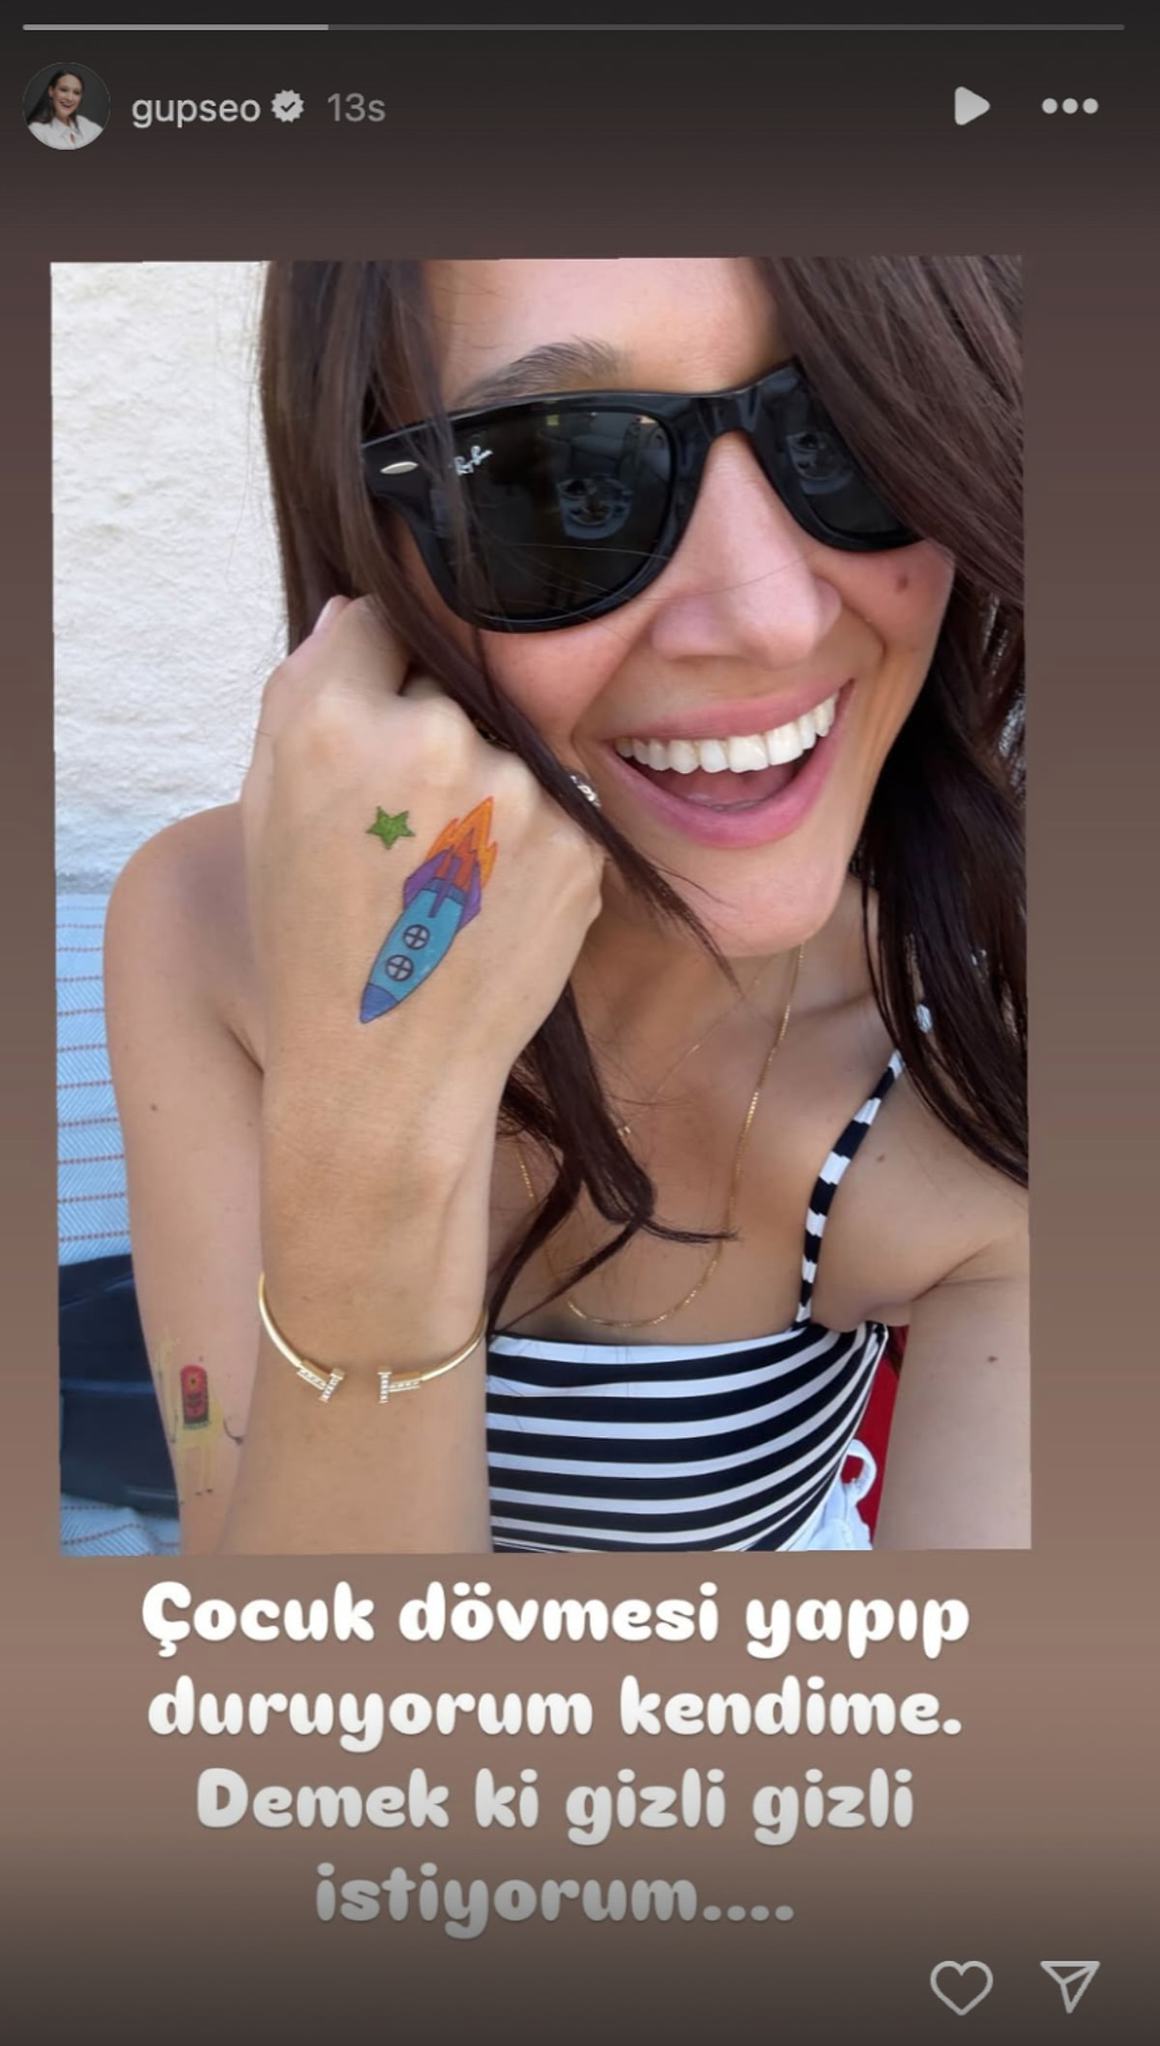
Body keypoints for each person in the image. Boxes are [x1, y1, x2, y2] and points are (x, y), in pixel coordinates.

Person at [104, 257, 1028, 1556]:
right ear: (374, 556)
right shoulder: (203, 926)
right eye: (560, 483)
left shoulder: (977, 1055)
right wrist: (377, 1116)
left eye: (847, 440)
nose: (771, 619)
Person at [27, 70, 103, 149]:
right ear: (51, 91)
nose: (70, 98)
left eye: (76, 92)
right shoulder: (37, 131)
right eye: (64, 90)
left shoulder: (88, 126)